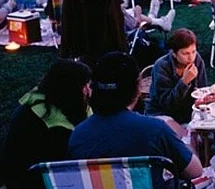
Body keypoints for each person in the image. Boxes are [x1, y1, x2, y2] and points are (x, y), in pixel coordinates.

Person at [68, 52, 203, 185]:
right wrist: (188, 143)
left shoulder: (78, 135)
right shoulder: (155, 130)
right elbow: (195, 172)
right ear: (137, 88)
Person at [2, 60, 92, 189]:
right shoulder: (45, 122)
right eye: (85, 85)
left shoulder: (50, 102)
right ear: (72, 89)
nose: (88, 90)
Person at [146, 29, 207, 125]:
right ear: (174, 53)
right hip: (163, 113)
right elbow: (167, 104)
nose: (191, 57)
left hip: (188, 112)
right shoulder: (162, 66)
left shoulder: (197, 60)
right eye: (185, 53)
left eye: (193, 51)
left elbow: (202, 91)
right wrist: (184, 81)